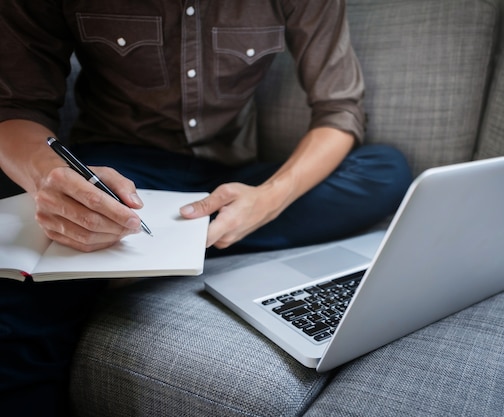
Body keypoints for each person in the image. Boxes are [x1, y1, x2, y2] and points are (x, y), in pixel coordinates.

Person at [0, 1, 412, 415]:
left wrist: (266, 200)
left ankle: (152, 252)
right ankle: (158, 247)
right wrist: (49, 179)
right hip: (123, 175)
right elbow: (15, 108)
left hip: (230, 178)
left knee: (384, 171)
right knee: (25, 298)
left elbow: (340, 110)